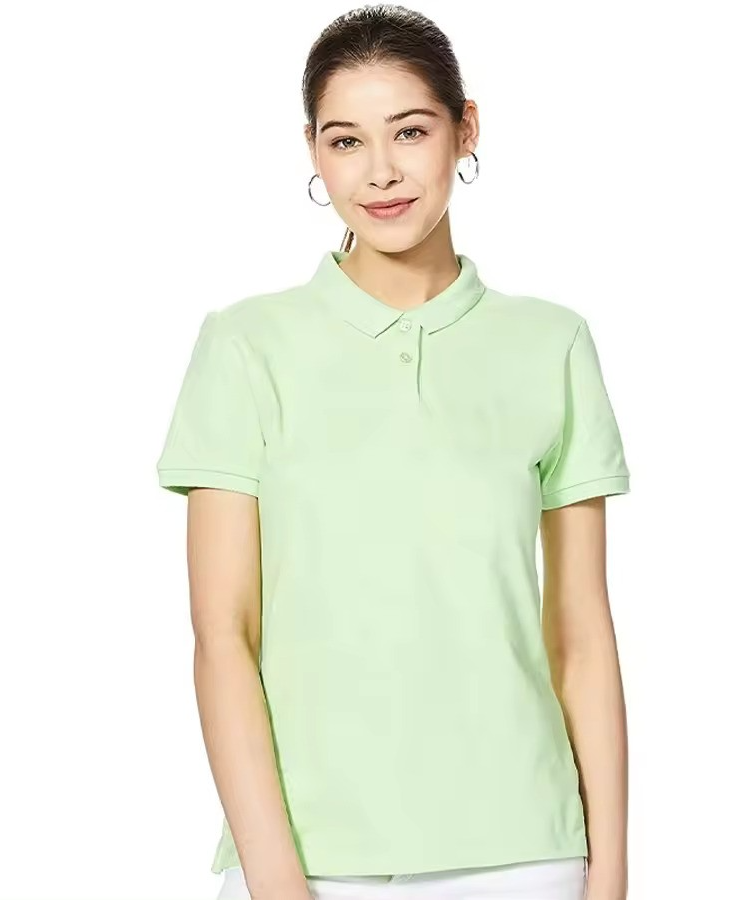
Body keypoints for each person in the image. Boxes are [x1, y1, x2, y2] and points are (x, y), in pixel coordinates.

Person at [156, 5, 631, 900]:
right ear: (313, 151)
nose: (379, 172)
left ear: (466, 128)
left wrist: (609, 879)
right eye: (345, 141)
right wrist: (275, 879)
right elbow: (223, 637)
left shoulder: (552, 344)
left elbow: (582, 638)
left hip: (522, 851)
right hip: (306, 856)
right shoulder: (246, 346)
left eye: (410, 131)